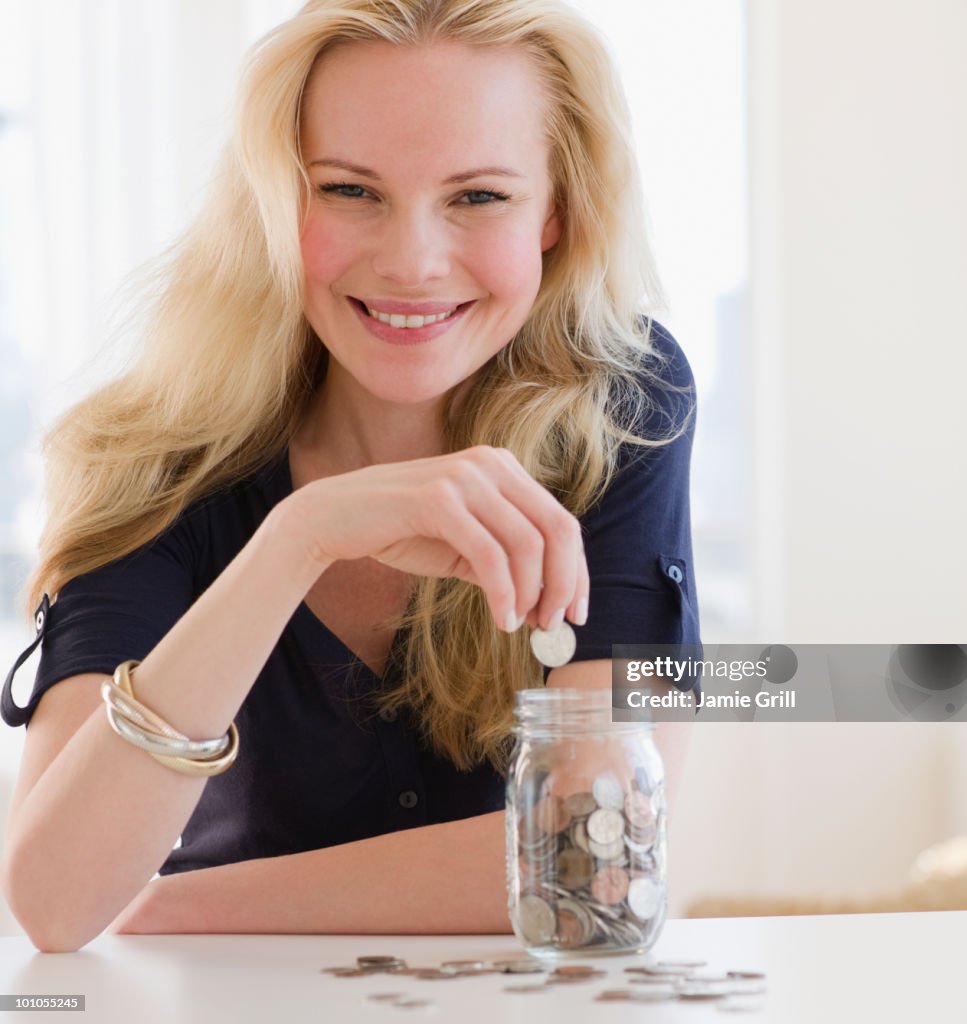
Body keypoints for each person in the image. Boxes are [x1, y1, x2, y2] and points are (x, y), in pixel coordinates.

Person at [0, 0, 699, 952]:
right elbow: (55, 898)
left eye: (479, 196)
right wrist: (298, 539)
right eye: (349, 191)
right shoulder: (156, 448)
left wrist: (177, 907)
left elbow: (598, 862)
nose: (411, 261)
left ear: (557, 213)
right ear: (275, 200)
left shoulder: (620, 404)